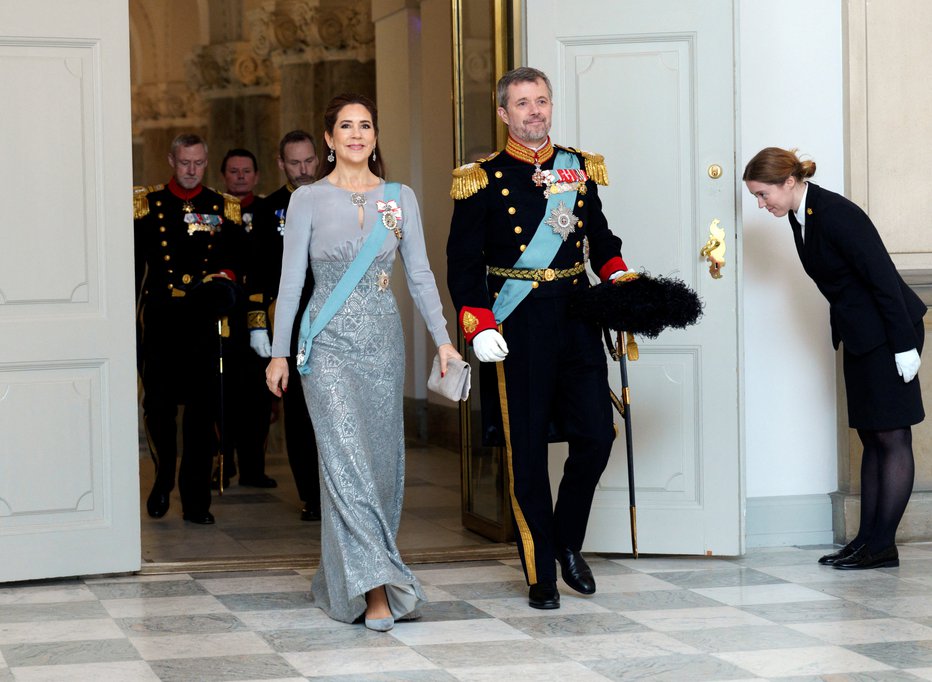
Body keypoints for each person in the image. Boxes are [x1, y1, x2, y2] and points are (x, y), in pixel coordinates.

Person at [265, 95, 460, 630]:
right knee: (344, 459)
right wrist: (279, 352)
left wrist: (443, 341)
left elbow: (419, 275)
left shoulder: (400, 199)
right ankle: (376, 591)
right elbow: (289, 283)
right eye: (345, 126)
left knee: (378, 464)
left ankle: (340, 578)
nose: (356, 134)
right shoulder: (306, 199)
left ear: (375, 136)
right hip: (324, 344)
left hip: (381, 342)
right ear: (328, 139)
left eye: (365, 125)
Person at [446, 67, 629, 609]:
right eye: (522, 103)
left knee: (596, 436)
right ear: (504, 113)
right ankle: (540, 569)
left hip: (577, 316)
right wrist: (477, 324)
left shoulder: (578, 168)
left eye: (542, 101)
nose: (534, 112)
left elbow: (600, 239)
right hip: (517, 323)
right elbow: (463, 265)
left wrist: (620, 279)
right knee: (526, 450)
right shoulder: (480, 177)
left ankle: (567, 542)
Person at [743, 147, 926, 570]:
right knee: (870, 437)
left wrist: (903, 345)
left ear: (788, 182)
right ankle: (866, 540)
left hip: (888, 332)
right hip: (862, 335)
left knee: (892, 437)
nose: (760, 203)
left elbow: (881, 277)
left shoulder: (836, 214)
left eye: (762, 193)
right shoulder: (800, 215)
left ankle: (882, 546)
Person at [134, 133, 243, 525]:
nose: (192, 170)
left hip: (201, 320)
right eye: (185, 163)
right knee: (159, 408)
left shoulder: (221, 206)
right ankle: (163, 477)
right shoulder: (147, 204)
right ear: (171, 161)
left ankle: (196, 498)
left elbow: (233, 261)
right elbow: (132, 269)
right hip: (162, 318)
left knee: (202, 413)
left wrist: (223, 287)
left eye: (198, 162)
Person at [247, 131, 322, 519]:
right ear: (281, 164)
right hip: (292, 323)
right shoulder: (269, 209)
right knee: (299, 412)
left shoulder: (334, 196)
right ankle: (312, 495)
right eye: (295, 163)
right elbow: (258, 272)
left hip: (331, 315)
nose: (304, 169)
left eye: (309, 160)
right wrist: (259, 324)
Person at [214, 148, 278, 490]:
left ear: (255, 176)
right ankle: (222, 465)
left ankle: (254, 468)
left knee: (257, 396)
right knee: (222, 396)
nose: (240, 176)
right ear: (224, 175)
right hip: (223, 315)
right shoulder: (214, 211)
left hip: (258, 318)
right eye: (233, 171)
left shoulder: (266, 211)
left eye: (246, 171)